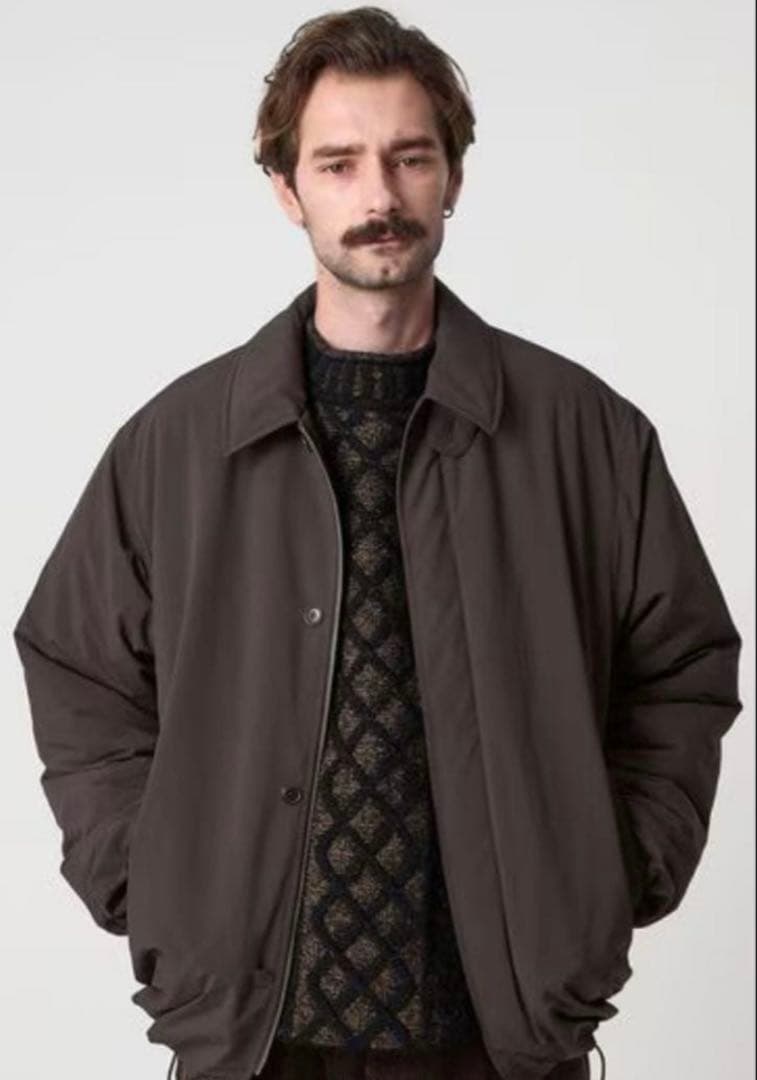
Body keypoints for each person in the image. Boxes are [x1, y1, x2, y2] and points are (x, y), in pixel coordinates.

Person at [13, 8, 742, 1080]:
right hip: (252, 1036)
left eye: (409, 157)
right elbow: (77, 664)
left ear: (453, 177)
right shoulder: (177, 445)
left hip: (501, 1032)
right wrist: (149, 875)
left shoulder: (585, 435)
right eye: (338, 163)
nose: (379, 197)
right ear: (286, 188)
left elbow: (682, 664)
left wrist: (610, 872)